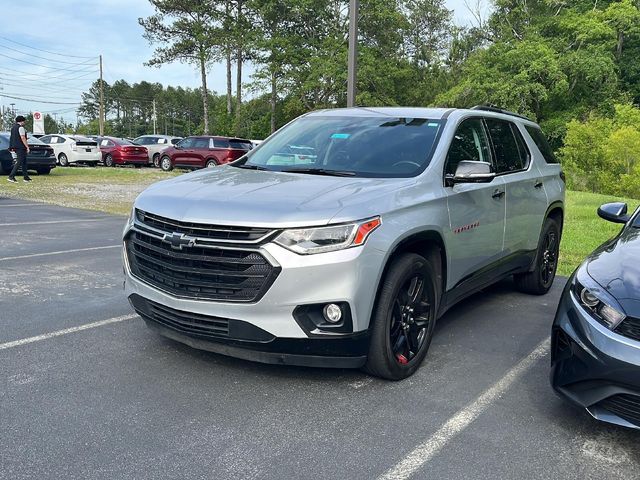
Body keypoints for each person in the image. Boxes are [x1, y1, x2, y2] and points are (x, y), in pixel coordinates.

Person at [8, 115, 31, 183]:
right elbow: (22, 137)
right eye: (24, 121)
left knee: (24, 162)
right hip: (20, 147)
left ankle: (25, 177)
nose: (24, 122)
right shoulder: (21, 128)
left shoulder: (13, 128)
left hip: (15, 146)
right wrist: (27, 147)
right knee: (19, 161)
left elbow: (14, 137)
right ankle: (11, 176)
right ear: (22, 121)